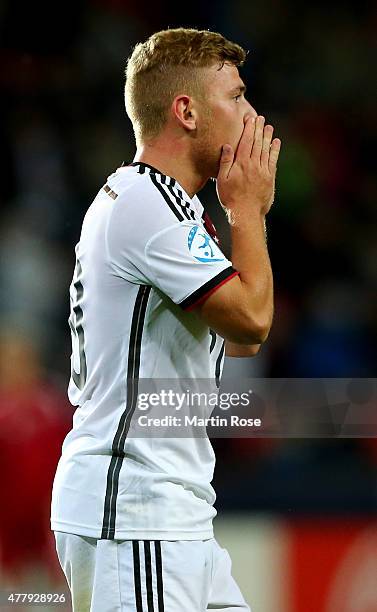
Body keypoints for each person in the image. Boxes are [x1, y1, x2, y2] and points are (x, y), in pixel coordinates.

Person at [51, 27, 281, 612]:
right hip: (135, 514)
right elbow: (254, 321)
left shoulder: (166, 206)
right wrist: (248, 210)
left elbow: (243, 338)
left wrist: (237, 214)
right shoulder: (146, 205)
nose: (251, 116)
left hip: (169, 516)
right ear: (187, 111)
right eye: (235, 96)